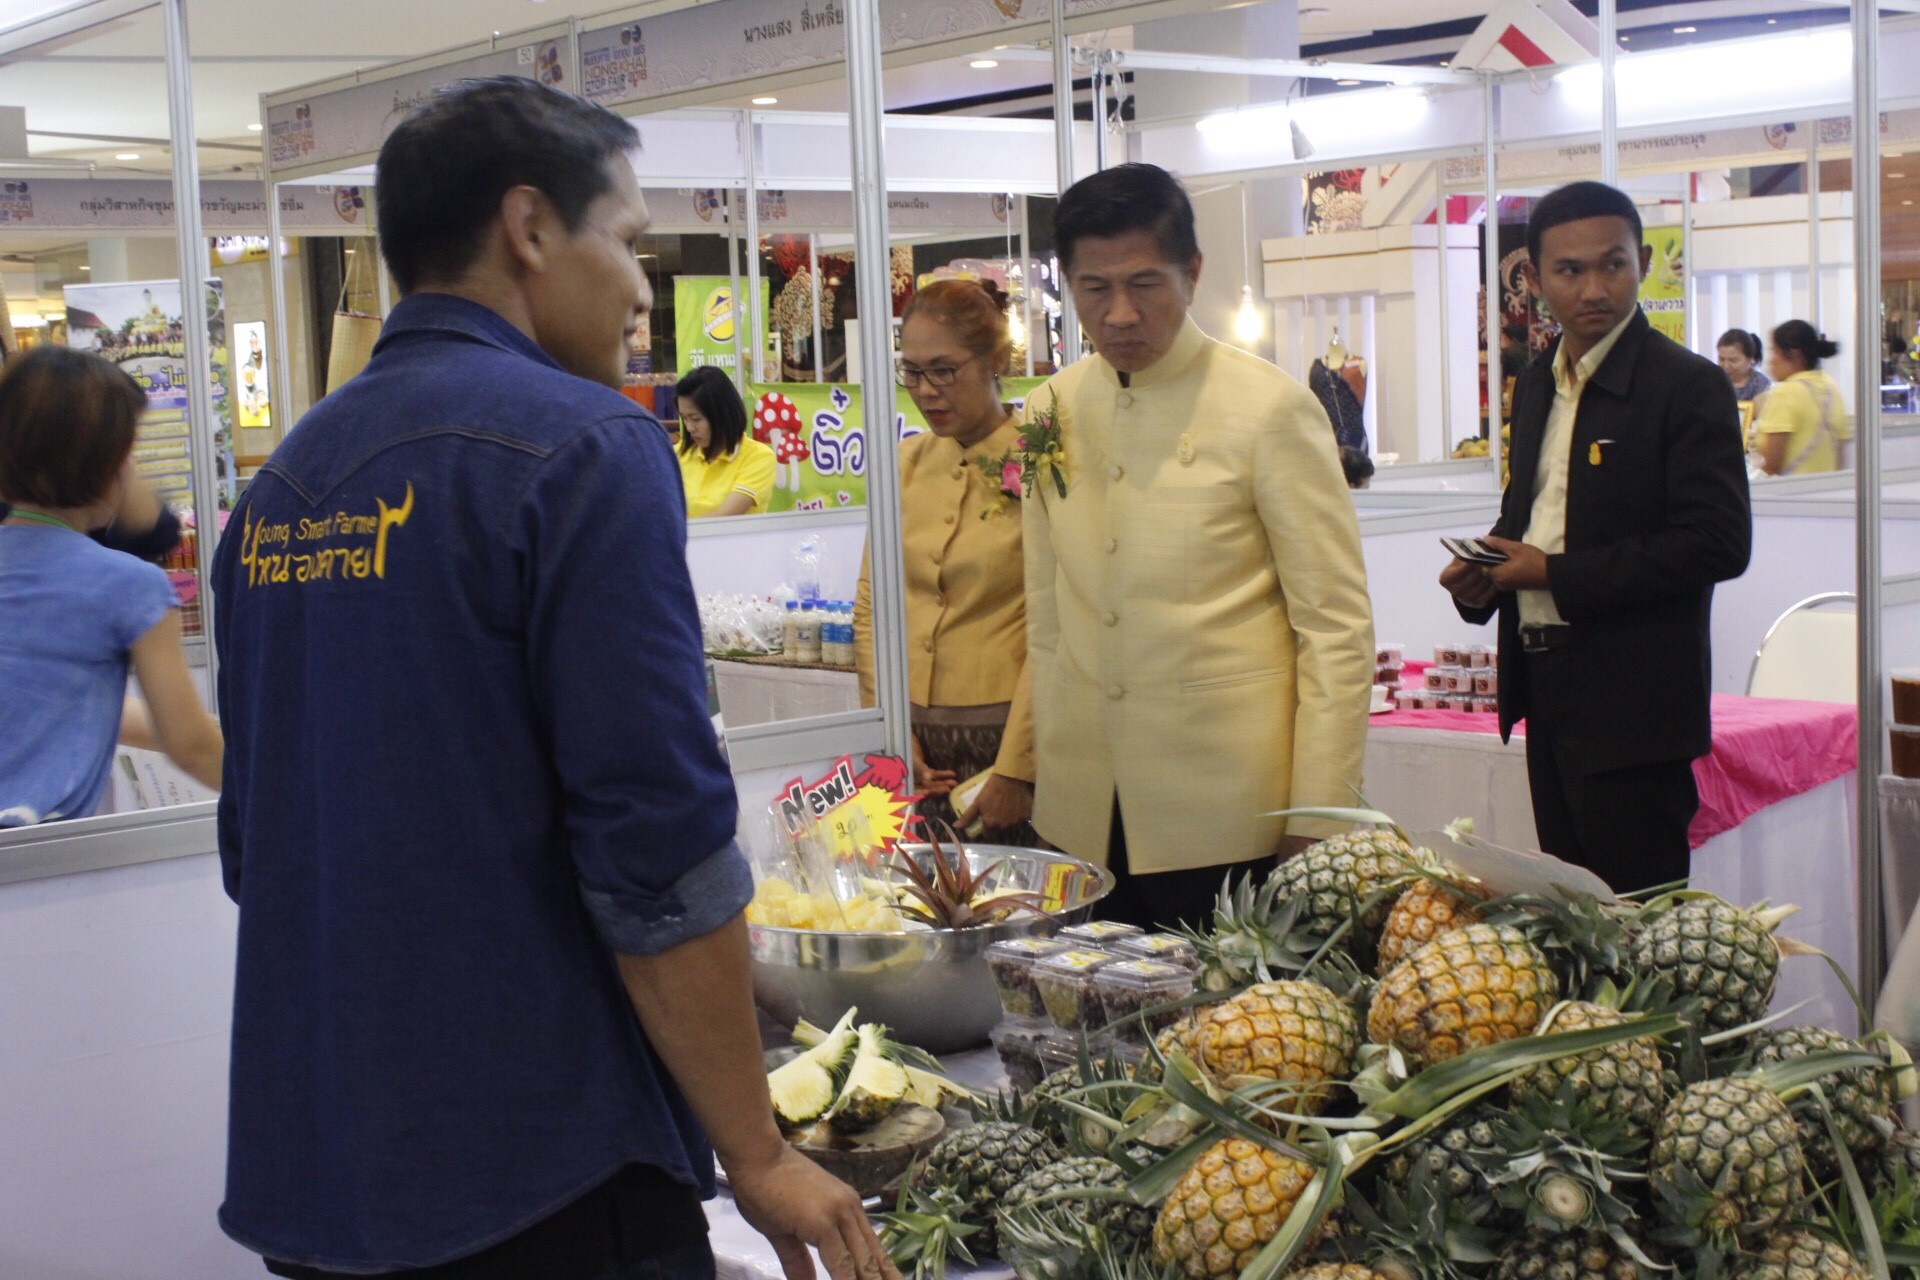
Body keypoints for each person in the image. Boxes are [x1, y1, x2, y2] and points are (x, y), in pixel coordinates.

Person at [211, 78, 889, 1280]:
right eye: (625, 240)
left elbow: (253, 851)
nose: (641, 288)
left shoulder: (282, 488)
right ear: (529, 227)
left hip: (323, 1162)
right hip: (537, 1169)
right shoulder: (585, 447)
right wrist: (756, 1148)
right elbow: (657, 852)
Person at [1022, 162, 1375, 931]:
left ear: (1193, 273)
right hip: (1082, 811)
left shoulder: (1269, 410)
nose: (1119, 314)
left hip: (1229, 812)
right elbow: (1046, 619)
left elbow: (1335, 629)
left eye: (1145, 284)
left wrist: (1319, 816)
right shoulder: (1048, 409)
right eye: (1093, 288)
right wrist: (1028, 774)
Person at [1439, 181, 1751, 894]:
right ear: (1536, 278)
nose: (1592, 288)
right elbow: (1531, 513)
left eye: (1612, 264)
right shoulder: (1538, 382)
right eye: (1569, 271)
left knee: (1635, 925)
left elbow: (1718, 543)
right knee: (1572, 916)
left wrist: (1550, 572)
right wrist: (1486, 570)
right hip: (1545, 684)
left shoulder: (1687, 385)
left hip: (1637, 702)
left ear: (1643, 261)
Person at [0, 346, 222, 826]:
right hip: (37, 865)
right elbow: (192, 746)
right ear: (112, 465)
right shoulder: (130, 587)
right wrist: (293, 790)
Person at [853, 279, 1036, 843]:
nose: (926, 391)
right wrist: (888, 726)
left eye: (944, 370)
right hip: (914, 743)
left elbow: (1061, 627)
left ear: (996, 360)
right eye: (911, 372)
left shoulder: (1041, 460)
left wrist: (1020, 765)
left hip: (1008, 737)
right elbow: (871, 605)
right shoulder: (905, 462)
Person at [1753, 320, 1850, 477]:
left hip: (1789, 495)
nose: (1771, 361)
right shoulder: (1832, 388)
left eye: (1774, 352)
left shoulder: (1785, 393)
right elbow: (1840, 457)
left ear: (1794, 355)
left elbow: (1770, 465)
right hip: (1826, 494)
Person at [676, 365, 775, 517]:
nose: (689, 428)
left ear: (722, 414)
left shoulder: (758, 457)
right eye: (684, 418)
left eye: (696, 419)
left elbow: (723, 518)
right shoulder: (675, 454)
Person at [1716, 328, 1771, 404]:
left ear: (1750, 359)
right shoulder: (1714, 381)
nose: (1726, 365)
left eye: (1733, 360)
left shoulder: (1761, 385)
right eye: (1721, 359)